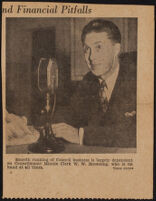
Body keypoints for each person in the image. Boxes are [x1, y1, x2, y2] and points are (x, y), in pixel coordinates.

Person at [52, 19, 137, 147]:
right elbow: (71, 113)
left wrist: (81, 135)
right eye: (87, 49)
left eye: (98, 47)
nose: (91, 57)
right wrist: (38, 126)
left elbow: (141, 132)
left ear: (116, 49)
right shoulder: (88, 80)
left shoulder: (138, 77)